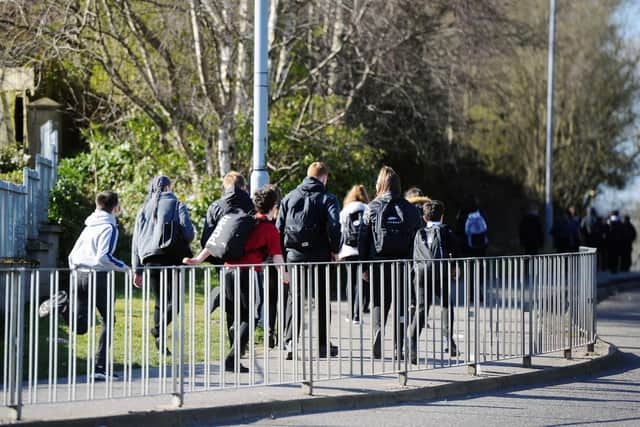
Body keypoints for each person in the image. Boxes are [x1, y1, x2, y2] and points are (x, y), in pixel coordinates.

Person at [184, 185, 287, 372]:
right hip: (248, 273)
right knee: (252, 316)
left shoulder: (241, 221)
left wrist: (198, 259)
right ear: (274, 206)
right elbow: (278, 258)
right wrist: (285, 277)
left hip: (228, 272)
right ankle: (232, 359)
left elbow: (216, 242)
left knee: (237, 316)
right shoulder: (269, 229)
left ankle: (220, 297)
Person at [39, 191, 128, 381]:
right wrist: (125, 268)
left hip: (77, 275)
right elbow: (103, 257)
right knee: (108, 321)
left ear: (96, 206)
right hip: (98, 277)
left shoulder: (88, 226)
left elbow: (72, 255)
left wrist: (75, 275)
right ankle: (100, 367)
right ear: (116, 209)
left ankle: (62, 303)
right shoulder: (109, 227)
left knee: (79, 327)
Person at [276, 161, 341, 359]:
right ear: (325, 178)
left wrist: (281, 254)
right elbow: (335, 225)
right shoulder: (328, 198)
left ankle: (289, 343)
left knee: (294, 299)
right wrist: (335, 249)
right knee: (322, 299)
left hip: (294, 255)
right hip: (320, 255)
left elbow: (278, 227)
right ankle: (322, 345)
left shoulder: (290, 197)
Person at [358, 166, 421, 360]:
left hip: (378, 262)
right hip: (402, 263)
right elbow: (416, 237)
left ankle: (378, 332)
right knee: (401, 303)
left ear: (381, 184)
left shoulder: (373, 207)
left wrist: (363, 265)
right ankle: (398, 347)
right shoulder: (409, 208)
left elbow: (363, 238)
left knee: (378, 301)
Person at [132, 176, 194, 355]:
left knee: (160, 302)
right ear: (169, 187)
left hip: (149, 259)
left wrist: (137, 269)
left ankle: (160, 341)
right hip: (172, 257)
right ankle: (158, 329)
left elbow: (136, 242)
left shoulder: (143, 208)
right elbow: (189, 234)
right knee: (175, 302)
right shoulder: (176, 204)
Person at [409, 200, 459, 362]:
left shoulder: (419, 233)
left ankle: (412, 344)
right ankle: (448, 340)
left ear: (424, 217)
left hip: (422, 273)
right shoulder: (445, 231)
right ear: (442, 217)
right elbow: (456, 250)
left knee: (422, 308)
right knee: (446, 304)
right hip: (441, 273)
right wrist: (455, 268)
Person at [338, 185, 369, 323]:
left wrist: (337, 251)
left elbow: (340, 230)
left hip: (347, 250)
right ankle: (357, 315)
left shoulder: (345, 210)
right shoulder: (367, 208)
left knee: (349, 282)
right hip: (361, 251)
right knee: (359, 283)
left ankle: (349, 314)